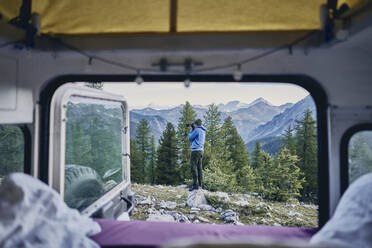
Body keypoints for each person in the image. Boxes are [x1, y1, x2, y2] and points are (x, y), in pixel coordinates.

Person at [188, 119, 206, 191]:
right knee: (199, 168)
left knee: (193, 167)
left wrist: (191, 130)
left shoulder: (197, 130)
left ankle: (195, 185)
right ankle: (200, 184)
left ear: (196, 124)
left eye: (194, 124)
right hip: (201, 151)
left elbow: (190, 138)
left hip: (195, 151)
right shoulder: (203, 130)